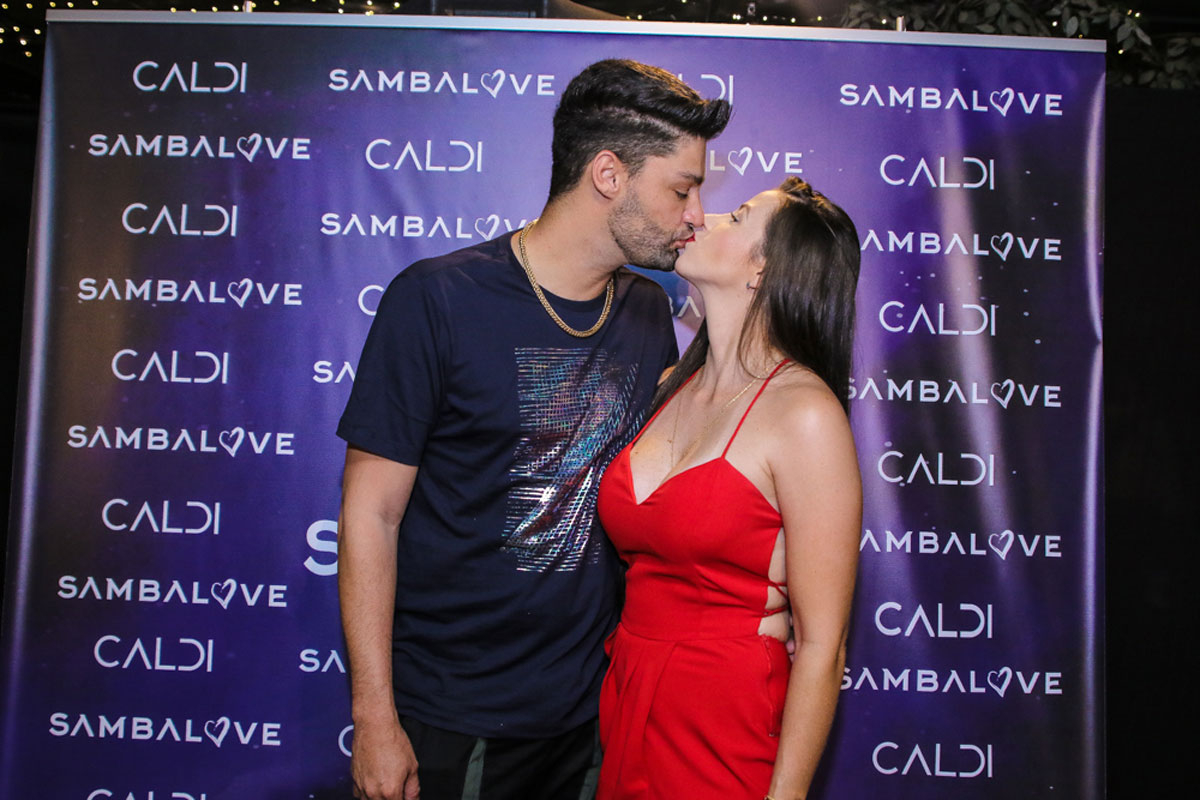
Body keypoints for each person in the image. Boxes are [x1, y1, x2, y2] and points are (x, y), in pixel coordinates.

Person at [335, 59, 730, 800]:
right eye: (682, 189)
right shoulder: (437, 300)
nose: (697, 214)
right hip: (451, 712)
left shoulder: (647, 312)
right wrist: (374, 716)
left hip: (589, 713)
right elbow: (370, 514)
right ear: (608, 174)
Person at [595, 177, 862, 800]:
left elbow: (822, 645)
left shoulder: (804, 414)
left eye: (736, 217)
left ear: (764, 269)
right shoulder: (668, 387)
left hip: (722, 721)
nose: (702, 217)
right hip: (629, 698)